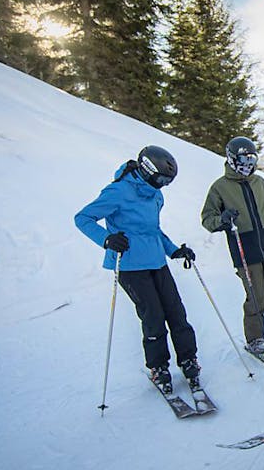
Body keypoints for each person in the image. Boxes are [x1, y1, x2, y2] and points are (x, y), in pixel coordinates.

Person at [75, 145, 201, 390]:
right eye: (161, 179)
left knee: (176, 312)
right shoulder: (118, 192)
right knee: (153, 316)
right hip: (131, 265)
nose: (163, 185)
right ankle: (158, 367)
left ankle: (188, 359)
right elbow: (82, 218)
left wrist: (174, 250)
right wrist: (106, 239)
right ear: (147, 170)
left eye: (168, 181)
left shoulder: (156, 195)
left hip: (157, 262)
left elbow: (153, 231)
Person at [200, 137, 264, 359]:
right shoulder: (220, 188)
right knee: (256, 297)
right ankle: (255, 338)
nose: (248, 163)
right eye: (244, 158)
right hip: (245, 247)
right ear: (233, 158)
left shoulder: (260, 183)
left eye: (252, 158)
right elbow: (207, 219)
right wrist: (222, 219)